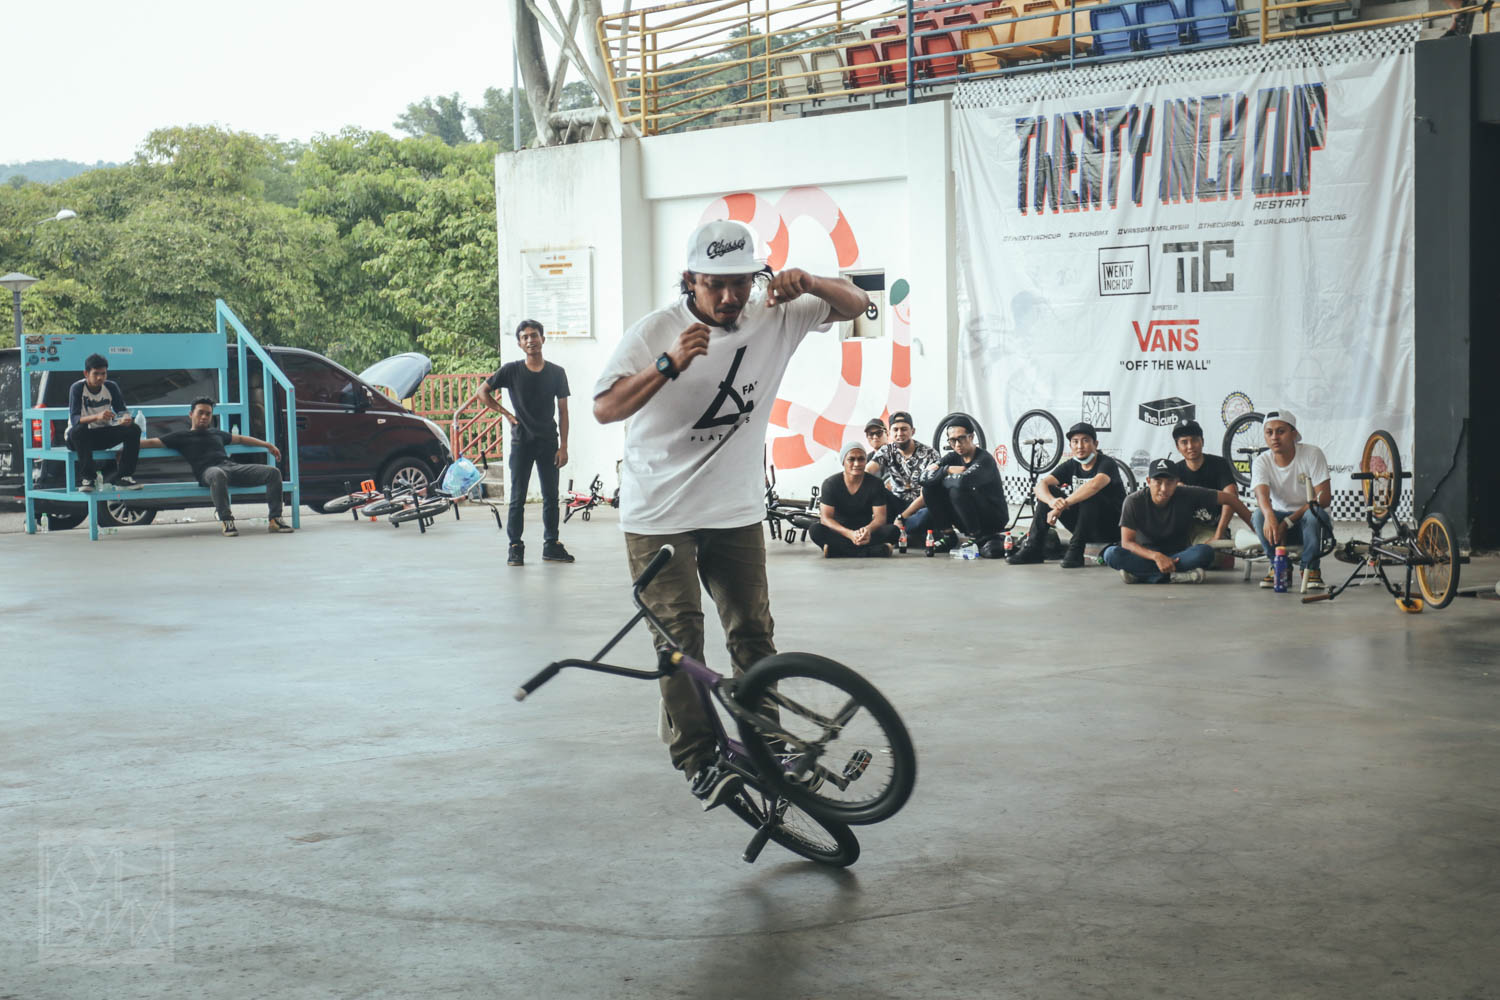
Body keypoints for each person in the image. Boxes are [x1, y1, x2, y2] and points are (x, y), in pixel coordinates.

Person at [592, 218, 869, 809]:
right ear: (690, 280)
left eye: (739, 283)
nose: (728, 297)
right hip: (659, 515)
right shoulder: (657, 330)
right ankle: (698, 759)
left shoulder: (775, 313)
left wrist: (812, 282)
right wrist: (666, 364)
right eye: (714, 284)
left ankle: (770, 748)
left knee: (752, 633)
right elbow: (605, 408)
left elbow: (857, 303)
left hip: (734, 509)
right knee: (680, 641)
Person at [479, 320, 573, 567]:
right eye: (525, 337)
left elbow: (563, 411)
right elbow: (482, 392)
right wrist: (507, 415)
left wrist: (563, 446)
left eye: (534, 335)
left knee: (551, 496)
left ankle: (551, 544)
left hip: (549, 442)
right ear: (520, 344)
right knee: (517, 496)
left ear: (543, 338)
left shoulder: (557, 372)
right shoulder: (511, 370)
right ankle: (515, 547)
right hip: (522, 442)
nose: (530, 340)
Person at [140, 397, 292, 536]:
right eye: (200, 413)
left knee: (273, 472)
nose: (204, 417)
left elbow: (240, 439)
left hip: (231, 468)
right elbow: (153, 442)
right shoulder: (181, 436)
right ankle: (227, 520)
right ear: (191, 414)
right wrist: (130, 445)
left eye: (208, 414)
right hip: (208, 473)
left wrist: (267, 445)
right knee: (217, 473)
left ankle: (275, 519)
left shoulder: (216, 433)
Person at [1103, 459, 1253, 584]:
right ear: (1148, 481)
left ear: (1177, 482)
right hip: (1146, 555)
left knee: (1205, 552)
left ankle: (1142, 575)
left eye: (1169, 482)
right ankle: (1174, 576)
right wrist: (1156, 556)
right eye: (1158, 482)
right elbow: (1127, 543)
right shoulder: (1133, 501)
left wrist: (1258, 531)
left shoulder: (1187, 493)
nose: (1164, 488)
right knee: (1111, 554)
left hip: (1179, 555)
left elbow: (1231, 499)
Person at [1009, 422, 1125, 568]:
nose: (1080, 446)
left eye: (1085, 440)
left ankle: (1076, 551)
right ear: (1070, 445)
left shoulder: (1107, 463)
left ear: (1095, 444)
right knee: (1049, 491)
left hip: (1111, 527)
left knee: (1089, 494)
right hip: (1084, 526)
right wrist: (1052, 502)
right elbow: (1040, 486)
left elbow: (1094, 485)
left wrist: (1062, 506)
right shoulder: (1071, 465)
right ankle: (1033, 548)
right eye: (1075, 442)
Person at [1250, 409, 1331, 591]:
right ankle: (1279, 566)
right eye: (1269, 432)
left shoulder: (1312, 454)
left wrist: (1288, 522)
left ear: (1294, 434)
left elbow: (1324, 498)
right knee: (1259, 515)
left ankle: (1310, 570)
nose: (1274, 437)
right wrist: (1269, 515)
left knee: (1314, 514)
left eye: (1281, 431)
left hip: (1311, 525)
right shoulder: (1261, 461)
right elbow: (1261, 495)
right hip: (1280, 525)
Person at [918, 415, 1009, 557]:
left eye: (961, 438)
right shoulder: (952, 457)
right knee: (928, 489)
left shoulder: (984, 459)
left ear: (971, 437)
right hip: (966, 517)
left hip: (993, 518)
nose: (957, 444)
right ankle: (948, 536)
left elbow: (962, 482)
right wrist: (946, 471)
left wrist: (939, 477)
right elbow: (922, 478)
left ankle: (976, 537)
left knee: (956, 490)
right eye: (952, 440)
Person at [67, 354, 143, 492]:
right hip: (80, 439)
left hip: (101, 435)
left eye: (103, 373)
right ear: (86, 373)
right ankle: (88, 478)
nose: (100, 378)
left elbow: (121, 410)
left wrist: (125, 419)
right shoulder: (77, 388)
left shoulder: (111, 387)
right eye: (96, 374)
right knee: (79, 430)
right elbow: (75, 419)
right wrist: (97, 416)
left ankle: (124, 477)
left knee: (134, 429)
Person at [809, 442, 900, 557]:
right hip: (840, 533)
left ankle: (836, 551)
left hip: (865, 533)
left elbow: (880, 518)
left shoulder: (876, 484)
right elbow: (826, 519)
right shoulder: (830, 484)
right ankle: (873, 551)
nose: (857, 464)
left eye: (861, 459)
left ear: (866, 461)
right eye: (851, 459)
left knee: (893, 531)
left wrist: (867, 531)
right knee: (815, 530)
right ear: (843, 462)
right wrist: (850, 534)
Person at [866, 410, 942, 538]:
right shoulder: (887, 450)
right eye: (895, 430)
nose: (899, 433)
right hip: (895, 504)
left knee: (929, 513)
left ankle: (896, 530)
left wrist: (902, 517)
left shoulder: (930, 454)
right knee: (875, 485)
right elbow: (867, 471)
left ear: (913, 431)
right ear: (890, 433)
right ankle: (900, 530)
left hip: (919, 507)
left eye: (904, 429)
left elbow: (926, 495)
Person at [1169, 420, 1242, 544]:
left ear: (1202, 441)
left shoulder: (1219, 464)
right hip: (1183, 530)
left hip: (1211, 529)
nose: (1190, 446)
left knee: (1207, 552)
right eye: (1184, 442)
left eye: (1194, 440)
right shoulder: (1174, 470)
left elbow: (1231, 496)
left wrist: (1218, 535)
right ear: (1177, 447)